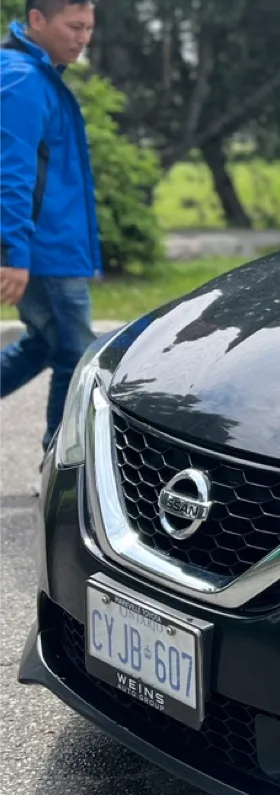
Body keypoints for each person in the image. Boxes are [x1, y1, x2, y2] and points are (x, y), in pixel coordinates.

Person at [0, 0, 99, 493]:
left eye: (89, 27)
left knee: (44, 344)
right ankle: (58, 473)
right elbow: (12, 173)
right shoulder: (22, 79)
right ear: (37, 20)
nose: (83, 37)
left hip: (53, 248)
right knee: (76, 355)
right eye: (74, 26)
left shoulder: (41, 75)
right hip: (43, 253)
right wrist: (13, 254)